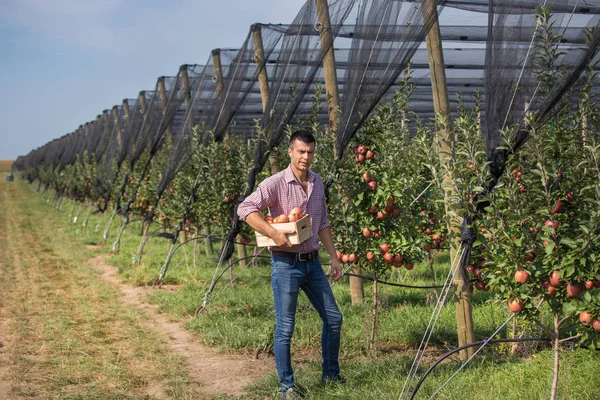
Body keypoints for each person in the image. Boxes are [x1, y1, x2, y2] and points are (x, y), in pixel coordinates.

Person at [237, 129, 344, 398]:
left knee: (334, 318)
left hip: (312, 263)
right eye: (301, 151)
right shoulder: (275, 183)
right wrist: (272, 232)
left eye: (310, 152)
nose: (306, 157)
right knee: (286, 327)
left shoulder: (317, 183)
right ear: (290, 152)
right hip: (285, 264)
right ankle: (287, 386)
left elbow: (323, 224)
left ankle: (331, 376)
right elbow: (245, 209)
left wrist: (333, 256)